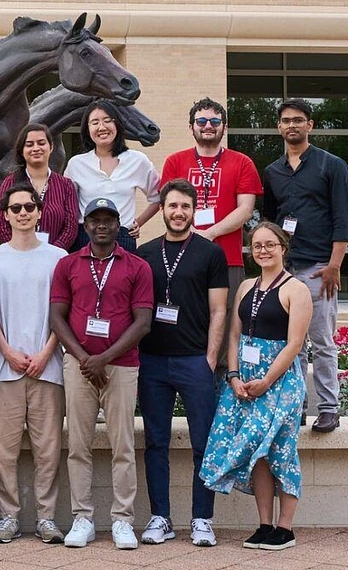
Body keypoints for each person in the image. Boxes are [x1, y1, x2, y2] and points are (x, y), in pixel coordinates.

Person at [200, 222, 311, 551]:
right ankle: (264, 525)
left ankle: (285, 527)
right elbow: (235, 335)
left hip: (280, 383)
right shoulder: (247, 286)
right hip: (245, 382)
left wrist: (266, 381)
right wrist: (233, 375)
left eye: (270, 244)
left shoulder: (296, 289)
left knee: (281, 452)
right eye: (257, 245)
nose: (263, 250)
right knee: (258, 456)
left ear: (283, 247)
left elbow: (294, 345)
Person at [49, 197, 153, 550]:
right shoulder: (67, 265)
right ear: (85, 225)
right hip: (78, 366)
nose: (102, 225)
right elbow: (56, 317)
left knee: (122, 445)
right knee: (78, 445)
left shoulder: (137, 266)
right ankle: (83, 518)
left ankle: (123, 520)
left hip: (122, 366)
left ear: (119, 224)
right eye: (95, 219)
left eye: (109, 219)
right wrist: (84, 359)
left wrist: (104, 358)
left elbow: (142, 323)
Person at [134, 180, 228, 547]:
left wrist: (209, 358)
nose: (178, 212)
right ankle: (161, 518)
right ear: (163, 209)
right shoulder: (144, 253)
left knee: (203, 442)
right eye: (172, 206)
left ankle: (202, 519)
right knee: (155, 442)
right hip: (153, 361)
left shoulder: (210, 254)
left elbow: (219, 310)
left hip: (194, 361)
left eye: (185, 207)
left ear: (193, 210)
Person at [0, 184, 68, 545]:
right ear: (4, 215)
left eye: (28, 207)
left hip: (47, 367)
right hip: (4, 367)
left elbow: (65, 314)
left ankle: (47, 518)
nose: (22, 213)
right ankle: (7, 517)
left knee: (48, 449)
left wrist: (47, 352)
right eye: (15, 208)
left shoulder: (59, 257)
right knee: (2, 450)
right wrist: (7, 352)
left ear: (38, 211)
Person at [261, 98, 348, 433]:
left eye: (298, 120)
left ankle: (328, 409)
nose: (291, 125)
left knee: (322, 342)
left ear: (310, 125)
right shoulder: (272, 171)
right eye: (285, 121)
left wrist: (334, 265)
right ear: (279, 127)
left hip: (318, 269)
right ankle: (294, 407)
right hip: (285, 271)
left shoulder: (331, 165)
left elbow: (342, 219)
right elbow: (269, 222)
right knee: (290, 345)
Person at [158, 98, 262, 318]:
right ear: (191, 127)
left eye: (215, 121)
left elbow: (246, 210)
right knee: (185, 315)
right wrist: (191, 234)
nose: (208, 125)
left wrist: (209, 233)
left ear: (225, 127)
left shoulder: (242, 162)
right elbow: (166, 206)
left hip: (228, 258)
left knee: (227, 318)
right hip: (181, 255)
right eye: (202, 120)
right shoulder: (174, 162)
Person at [64, 100, 160, 252]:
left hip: (122, 237)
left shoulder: (137, 160)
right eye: (94, 122)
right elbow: (67, 205)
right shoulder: (76, 164)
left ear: (118, 125)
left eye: (107, 120)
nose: (101, 127)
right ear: (87, 129)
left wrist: (138, 222)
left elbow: (158, 197)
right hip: (85, 237)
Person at [0, 122, 79, 250]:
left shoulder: (65, 185)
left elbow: (70, 227)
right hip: (18, 257)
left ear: (51, 147)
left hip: (55, 259)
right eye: (29, 145)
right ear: (22, 151)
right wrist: (21, 250)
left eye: (41, 143)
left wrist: (51, 252)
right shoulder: (10, 183)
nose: (36, 148)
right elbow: (1, 225)